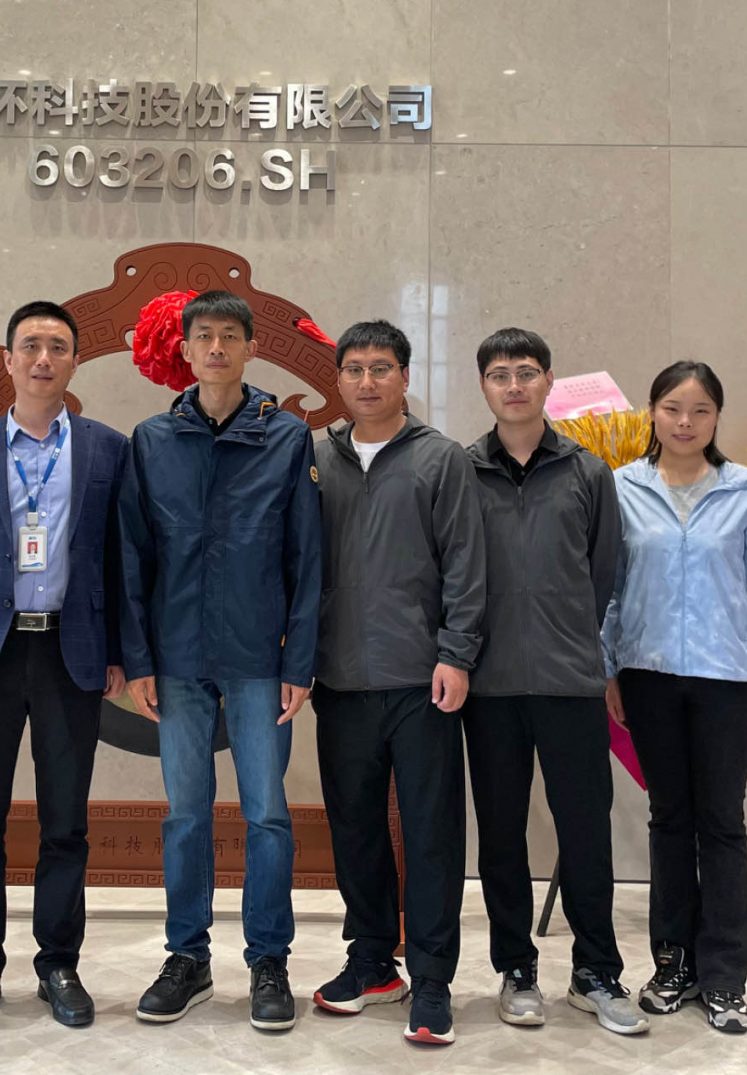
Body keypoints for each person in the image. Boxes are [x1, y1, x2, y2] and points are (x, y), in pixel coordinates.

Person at [0, 301, 129, 1033]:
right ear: (7, 360)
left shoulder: (108, 449)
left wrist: (121, 651)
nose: (43, 358)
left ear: (74, 362)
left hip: (72, 649)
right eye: (30, 346)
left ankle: (58, 963)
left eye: (57, 347)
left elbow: (121, 560)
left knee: (66, 821)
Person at [117, 289, 321, 1031]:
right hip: (177, 655)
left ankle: (269, 959)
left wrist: (299, 662)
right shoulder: (152, 439)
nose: (215, 348)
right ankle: (188, 957)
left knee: (266, 813)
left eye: (229, 335)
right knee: (184, 813)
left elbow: (306, 557)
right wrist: (138, 657)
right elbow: (133, 556)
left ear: (250, 347)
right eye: (203, 335)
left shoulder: (287, 436)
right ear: (184, 348)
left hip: (259, 656)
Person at [307, 320, 484, 1046]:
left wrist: (457, 653)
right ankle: (373, 961)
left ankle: (433, 979)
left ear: (405, 377)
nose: (367, 380)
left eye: (381, 367)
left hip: (423, 680)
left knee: (431, 831)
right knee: (354, 828)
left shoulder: (440, 459)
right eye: (354, 368)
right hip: (340, 677)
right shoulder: (316, 458)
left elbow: (467, 564)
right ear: (339, 380)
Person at [462, 327, 643, 1035]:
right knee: (501, 835)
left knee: (586, 831)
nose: (514, 385)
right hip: (489, 686)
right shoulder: (462, 470)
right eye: (500, 374)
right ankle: (516, 967)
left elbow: (603, 571)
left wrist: (572, 637)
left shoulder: (587, 471)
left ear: (548, 382)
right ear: (484, 385)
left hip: (570, 682)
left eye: (526, 372)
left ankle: (596, 971)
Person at [602, 360, 747, 1035]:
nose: (685, 422)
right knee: (669, 819)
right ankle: (673, 963)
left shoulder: (745, 490)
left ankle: (725, 977)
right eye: (673, 408)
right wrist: (609, 669)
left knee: (722, 822)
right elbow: (610, 588)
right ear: (652, 412)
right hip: (647, 675)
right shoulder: (622, 486)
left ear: (716, 417)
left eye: (701, 410)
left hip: (726, 680)